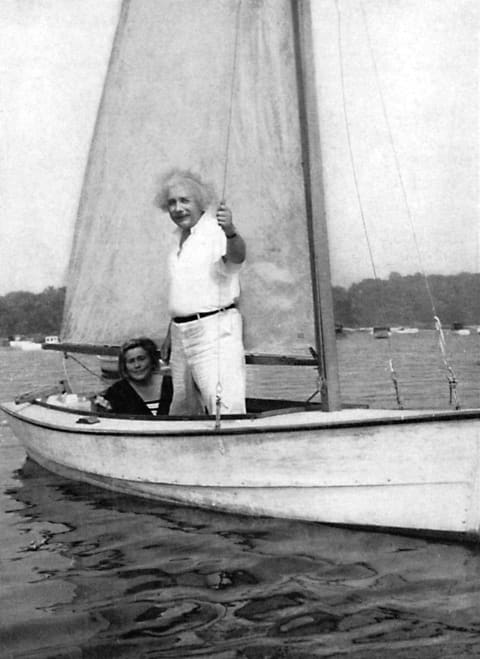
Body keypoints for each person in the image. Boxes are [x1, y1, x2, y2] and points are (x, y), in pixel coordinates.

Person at [155, 168, 246, 416]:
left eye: (185, 200)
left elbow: (237, 258)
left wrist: (231, 231)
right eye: (172, 202)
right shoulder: (176, 239)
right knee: (182, 407)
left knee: (224, 407)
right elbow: (184, 290)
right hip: (180, 333)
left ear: (199, 202)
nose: (178, 208)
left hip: (214, 332)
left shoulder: (215, 231)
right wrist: (170, 331)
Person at [93, 337, 172, 415]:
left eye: (141, 359)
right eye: (131, 361)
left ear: (152, 360)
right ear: (124, 366)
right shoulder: (117, 392)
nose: (137, 365)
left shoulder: (172, 386)